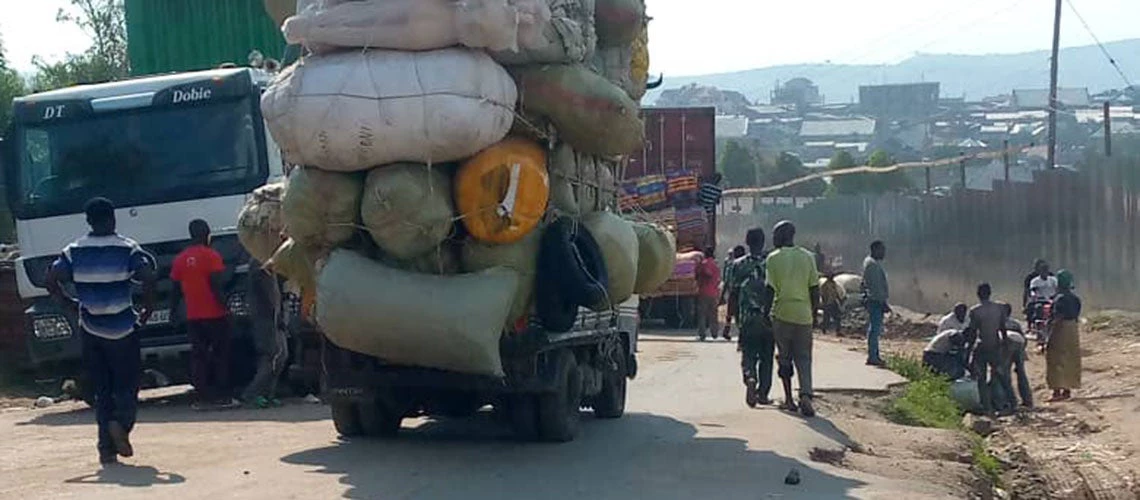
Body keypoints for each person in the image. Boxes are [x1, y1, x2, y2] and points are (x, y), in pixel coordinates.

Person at [45, 198, 156, 465]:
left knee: (102, 390)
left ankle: (106, 450)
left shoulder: (74, 250)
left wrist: (68, 304)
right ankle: (121, 423)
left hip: (91, 329)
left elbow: (51, 278)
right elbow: (148, 275)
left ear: (88, 221)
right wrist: (147, 307)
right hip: (122, 329)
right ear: (113, 218)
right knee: (127, 385)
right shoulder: (126, 248)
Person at [171, 219, 237, 410]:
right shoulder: (212, 256)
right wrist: (227, 308)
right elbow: (216, 286)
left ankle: (202, 397)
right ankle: (222, 396)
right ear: (208, 234)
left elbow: (176, 290)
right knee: (220, 355)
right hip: (215, 314)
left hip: (193, 316)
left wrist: (174, 312)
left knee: (199, 356)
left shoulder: (180, 259)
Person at [765, 221, 820, 417]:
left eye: (774, 235)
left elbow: (769, 290)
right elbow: (814, 288)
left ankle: (789, 399)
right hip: (803, 315)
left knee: (784, 358)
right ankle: (805, 394)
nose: (773, 239)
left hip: (782, 313)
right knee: (804, 358)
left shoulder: (772, 258)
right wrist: (813, 313)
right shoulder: (808, 257)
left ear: (781, 236)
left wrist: (766, 315)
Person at [732, 228, 774, 407]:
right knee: (767, 356)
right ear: (764, 241)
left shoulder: (738, 264)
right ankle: (763, 393)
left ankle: (750, 377)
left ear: (747, 242)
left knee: (748, 352)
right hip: (769, 317)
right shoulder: (771, 262)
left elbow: (733, 293)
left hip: (747, 317)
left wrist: (732, 320)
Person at [241, 259, 287, 408]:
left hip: (272, 317)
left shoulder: (267, 261)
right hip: (265, 319)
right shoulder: (260, 263)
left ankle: (268, 394)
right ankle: (253, 393)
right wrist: (277, 316)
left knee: (280, 356)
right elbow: (269, 294)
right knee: (272, 355)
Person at [964, 283, 1015, 415]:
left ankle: (987, 407)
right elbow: (1002, 328)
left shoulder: (975, 311)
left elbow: (973, 333)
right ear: (990, 293)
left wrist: (968, 352)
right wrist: (1005, 344)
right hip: (995, 346)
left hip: (982, 347)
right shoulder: (999, 308)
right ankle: (1011, 403)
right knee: (1001, 376)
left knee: (981, 378)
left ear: (978, 294)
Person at [1046, 270, 1082, 402]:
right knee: (1070, 358)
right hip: (1073, 330)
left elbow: (1057, 317)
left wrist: (1049, 335)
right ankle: (1067, 390)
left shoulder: (1059, 298)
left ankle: (1056, 392)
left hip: (1060, 329)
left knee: (1055, 358)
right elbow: (1077, 316)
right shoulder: (1075, 298)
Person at [1000, 303, 1034, 409]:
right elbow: (1024, 339)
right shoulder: (1015, 323)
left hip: (1006, 345)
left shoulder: (998, 322)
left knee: (1004, 373)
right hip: (1019, 345)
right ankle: (1027, 400)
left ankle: (1010, 401)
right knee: (1021, 373)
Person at [862, 241, 890, 367]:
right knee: (875, 329)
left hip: (875, 300)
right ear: (875, 249)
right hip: (875, 301)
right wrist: (882, 302)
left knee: (875, 329)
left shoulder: (871, 263)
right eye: (882, 250)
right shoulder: (872, 265)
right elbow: (875, 287)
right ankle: (873, 356)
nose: (884, 253)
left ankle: (874, 355)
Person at [695, 247, 721, 341]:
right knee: (713, 314)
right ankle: (714, 333)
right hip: (714, 292)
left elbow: (703, 273)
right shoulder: (716, 264)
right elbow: (718, 278)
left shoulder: (704, 263)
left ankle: (702, 334)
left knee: (702, 314)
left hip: (704, 292)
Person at [721, 245, 747, 340]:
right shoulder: (746, 264)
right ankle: (740, 338)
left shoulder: (731, 265)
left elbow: (727, 281)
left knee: (731, 313)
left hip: (734, 293)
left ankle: (727, 330)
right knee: (740, 317)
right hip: (744, 294)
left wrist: (722, 295)